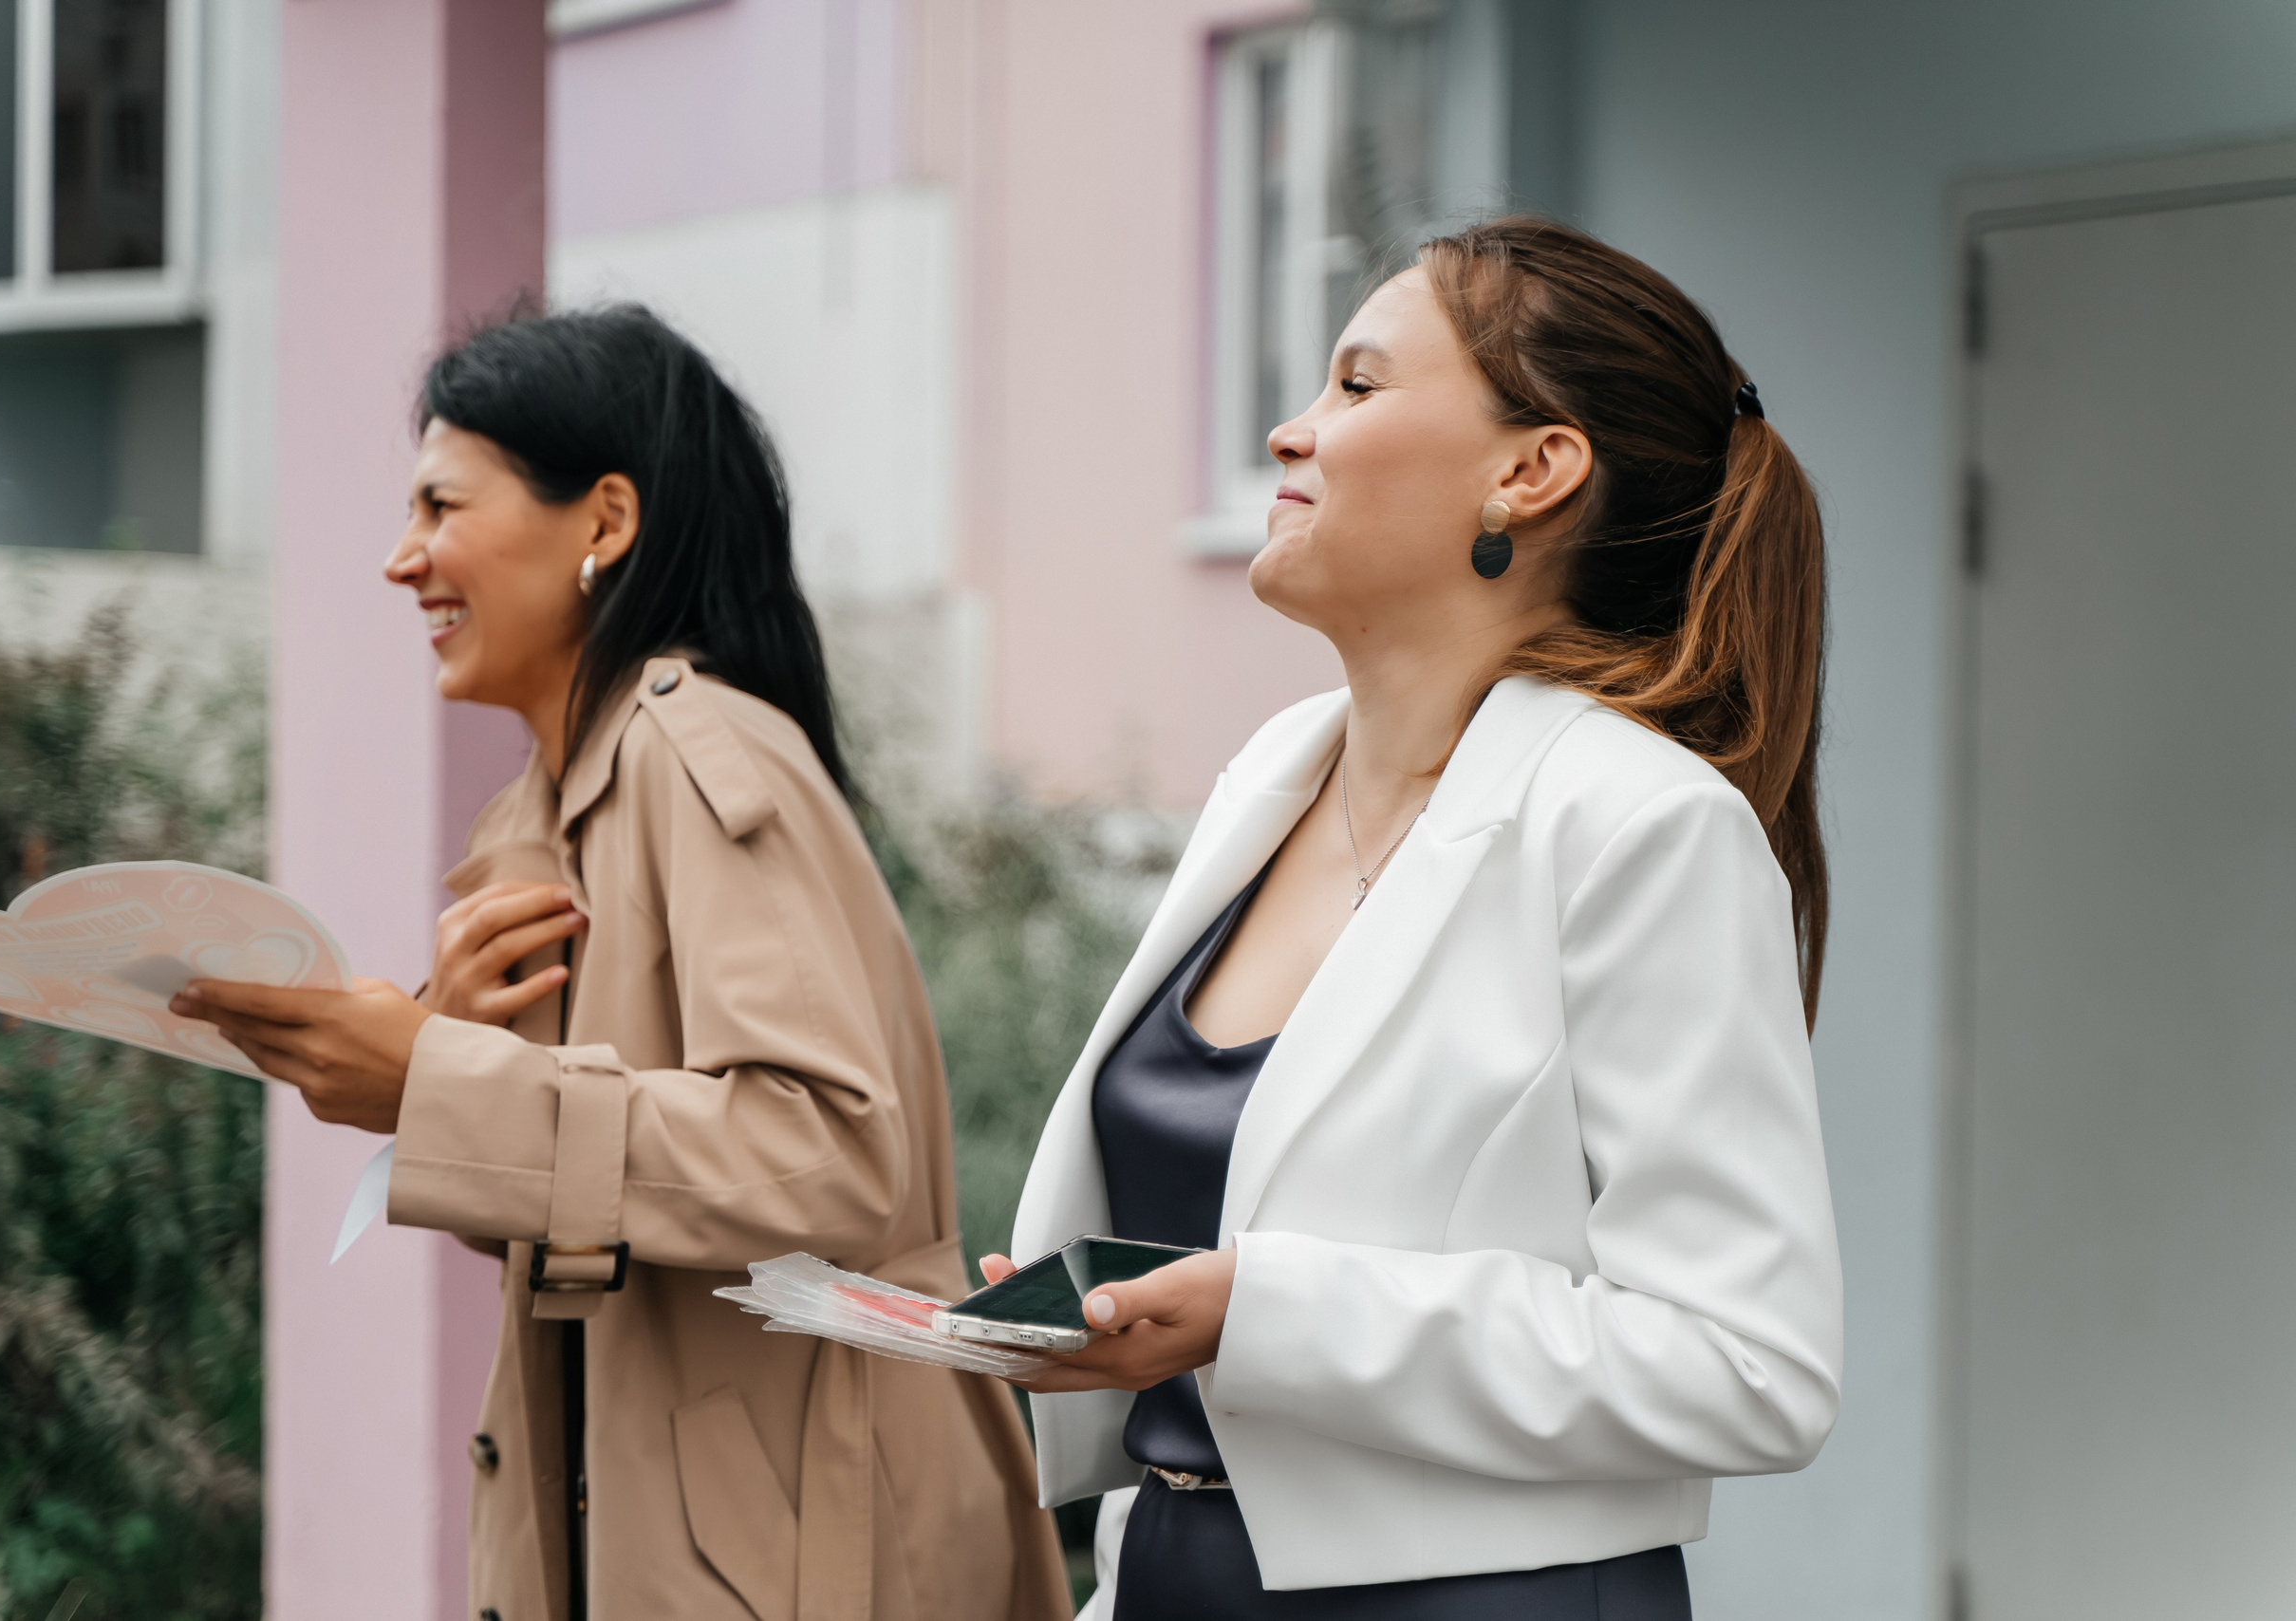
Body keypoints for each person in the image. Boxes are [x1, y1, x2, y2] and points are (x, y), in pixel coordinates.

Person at [981, 217, 1843, 1618]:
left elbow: (1750, 1367)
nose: (1287, 432)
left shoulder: (1641, 826)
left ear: (1530, 470)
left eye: (1357, 386)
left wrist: (1262, 1315)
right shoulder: (1270, 778)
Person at [176, 307, 1069, 1621]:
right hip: (692, 1530)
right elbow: (619, 1210)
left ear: (603, 521)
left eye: (440, 505)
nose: (399, 560)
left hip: (810, 1541)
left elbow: (823, 1149)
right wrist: (450, 1065)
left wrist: (440, 1081)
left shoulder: (699, 754)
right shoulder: (547, 819)